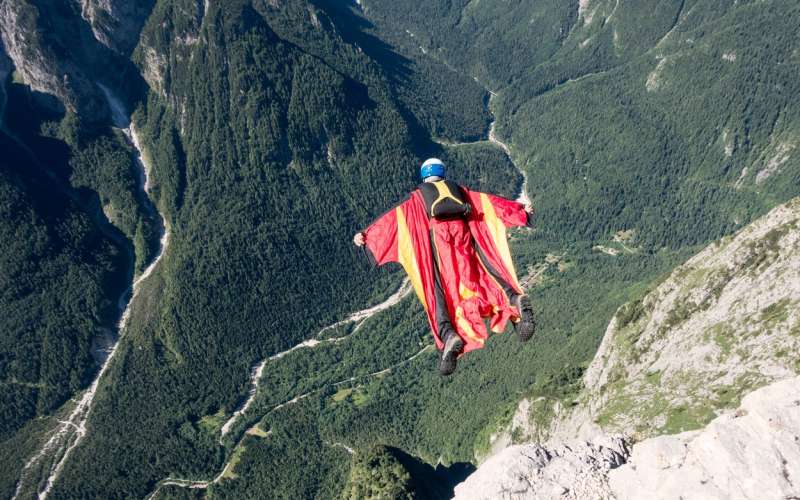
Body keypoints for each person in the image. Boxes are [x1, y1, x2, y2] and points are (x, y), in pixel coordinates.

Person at [353, 158, 535, 375]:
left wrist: (366, 237)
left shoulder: (416, 200)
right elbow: (491, 204)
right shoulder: (461, 192)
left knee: (440, 296)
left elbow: (392, 221)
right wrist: (521, 211)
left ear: (425, 176)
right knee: (482, 279)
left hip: (440, 251)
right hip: (464, 244)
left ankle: (448, 335)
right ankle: (514, 299)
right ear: (442, 173)